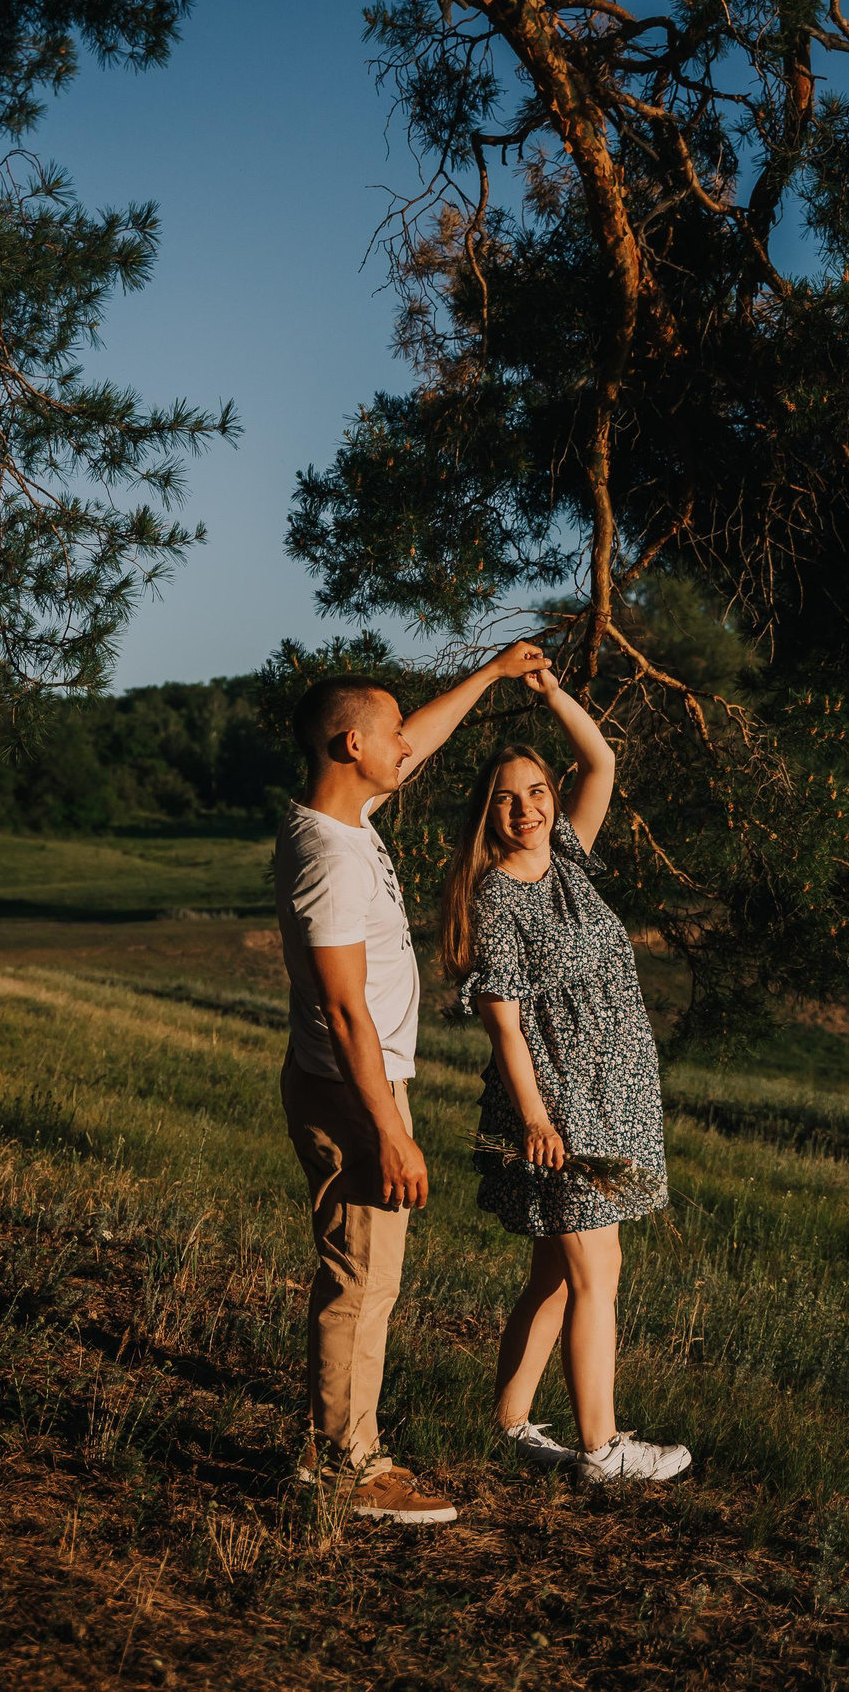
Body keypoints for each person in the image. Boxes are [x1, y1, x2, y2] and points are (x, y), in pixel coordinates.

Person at [275, 640, 551, 1524]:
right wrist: (391, 1130)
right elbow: (345, 1010)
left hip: (359, 1085)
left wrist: (492, 675)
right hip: (354, 1091)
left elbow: (415, 743)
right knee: (361, 1281)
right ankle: (347, 1465)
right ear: (352, 745)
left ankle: (342, 1448)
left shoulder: (344, 819)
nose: (408, 744)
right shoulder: (329, 857)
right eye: (392, 730)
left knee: (366, 1278)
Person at [440, 666, 691, 1486]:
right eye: (507, 798)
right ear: (488, 813)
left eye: (538, 791)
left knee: (555, 1271)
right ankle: (603, 1447)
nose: (527, 808)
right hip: (560, 1101)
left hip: (615, 1090)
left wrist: (550, 692)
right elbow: (504, 1024)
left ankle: (510, 1422)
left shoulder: (571, 859)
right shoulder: (495, 897)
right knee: (596, 1270)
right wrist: (538, 1118)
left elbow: (602, 761)